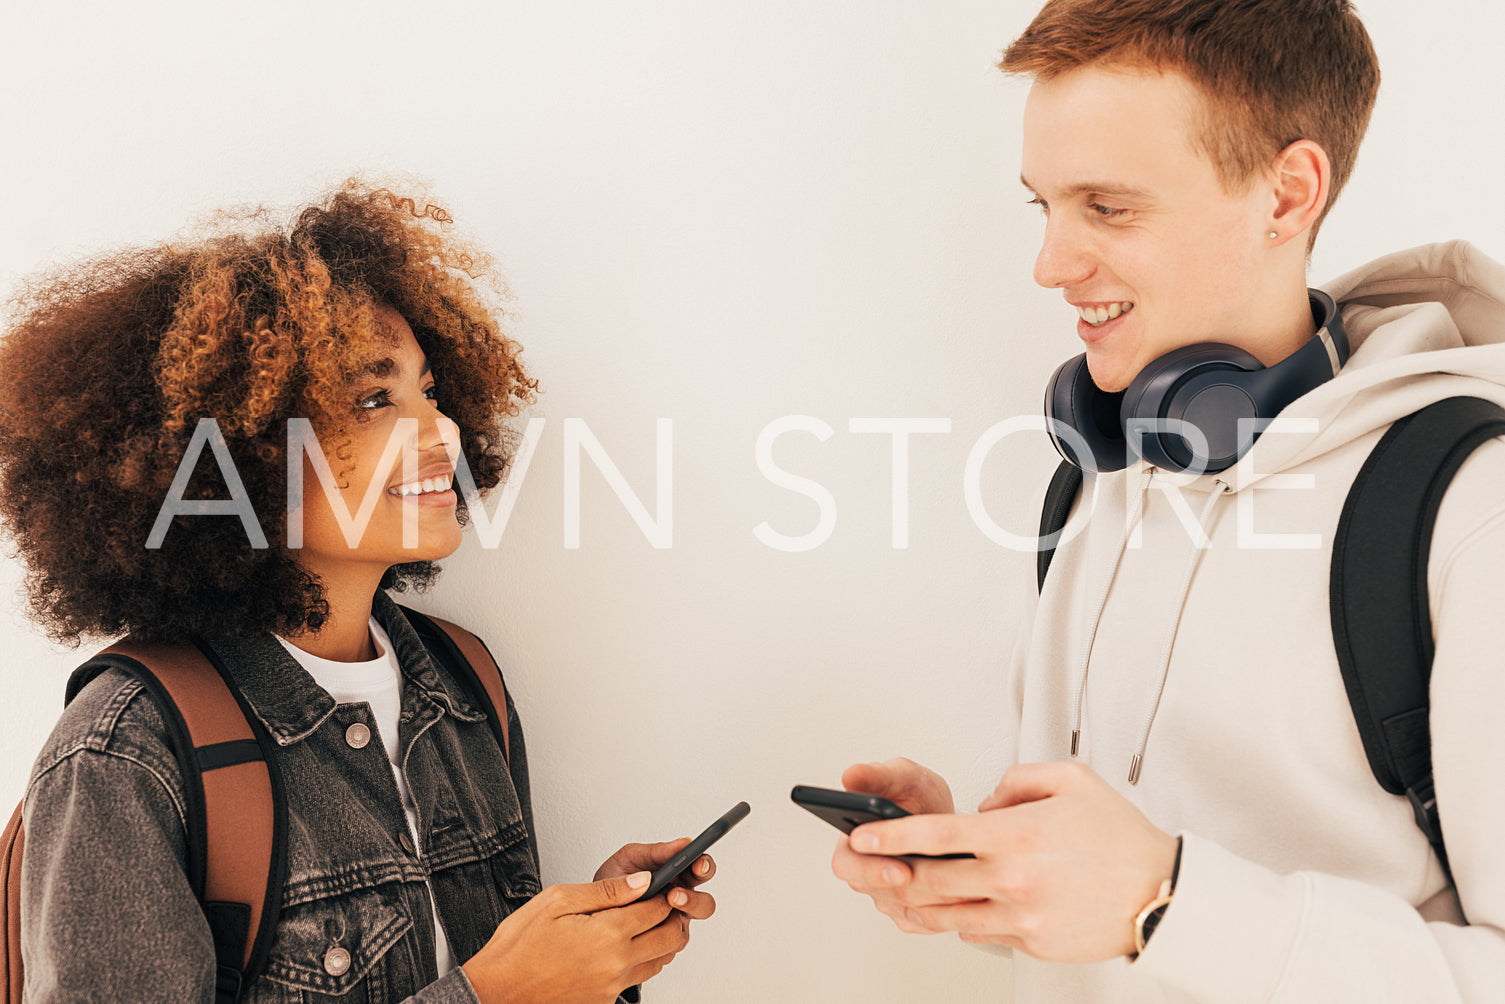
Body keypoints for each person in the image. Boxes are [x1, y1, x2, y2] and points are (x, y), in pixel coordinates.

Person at [830, 1, 1505, 1000]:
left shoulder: (1464, 507)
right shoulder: (1099, 475)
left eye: (1106, 208)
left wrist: (1162, 899)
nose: (1049, 263)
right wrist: (992, 874)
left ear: (1285, 195)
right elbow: (1119, 923)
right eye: (1043, 206)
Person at [0, 181, 716, 1003]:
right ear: (240, 453)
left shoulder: (463, 683)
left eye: (430, 391)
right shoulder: (127, 752)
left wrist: (582, 959)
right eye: (375, 399)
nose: (442, 433)